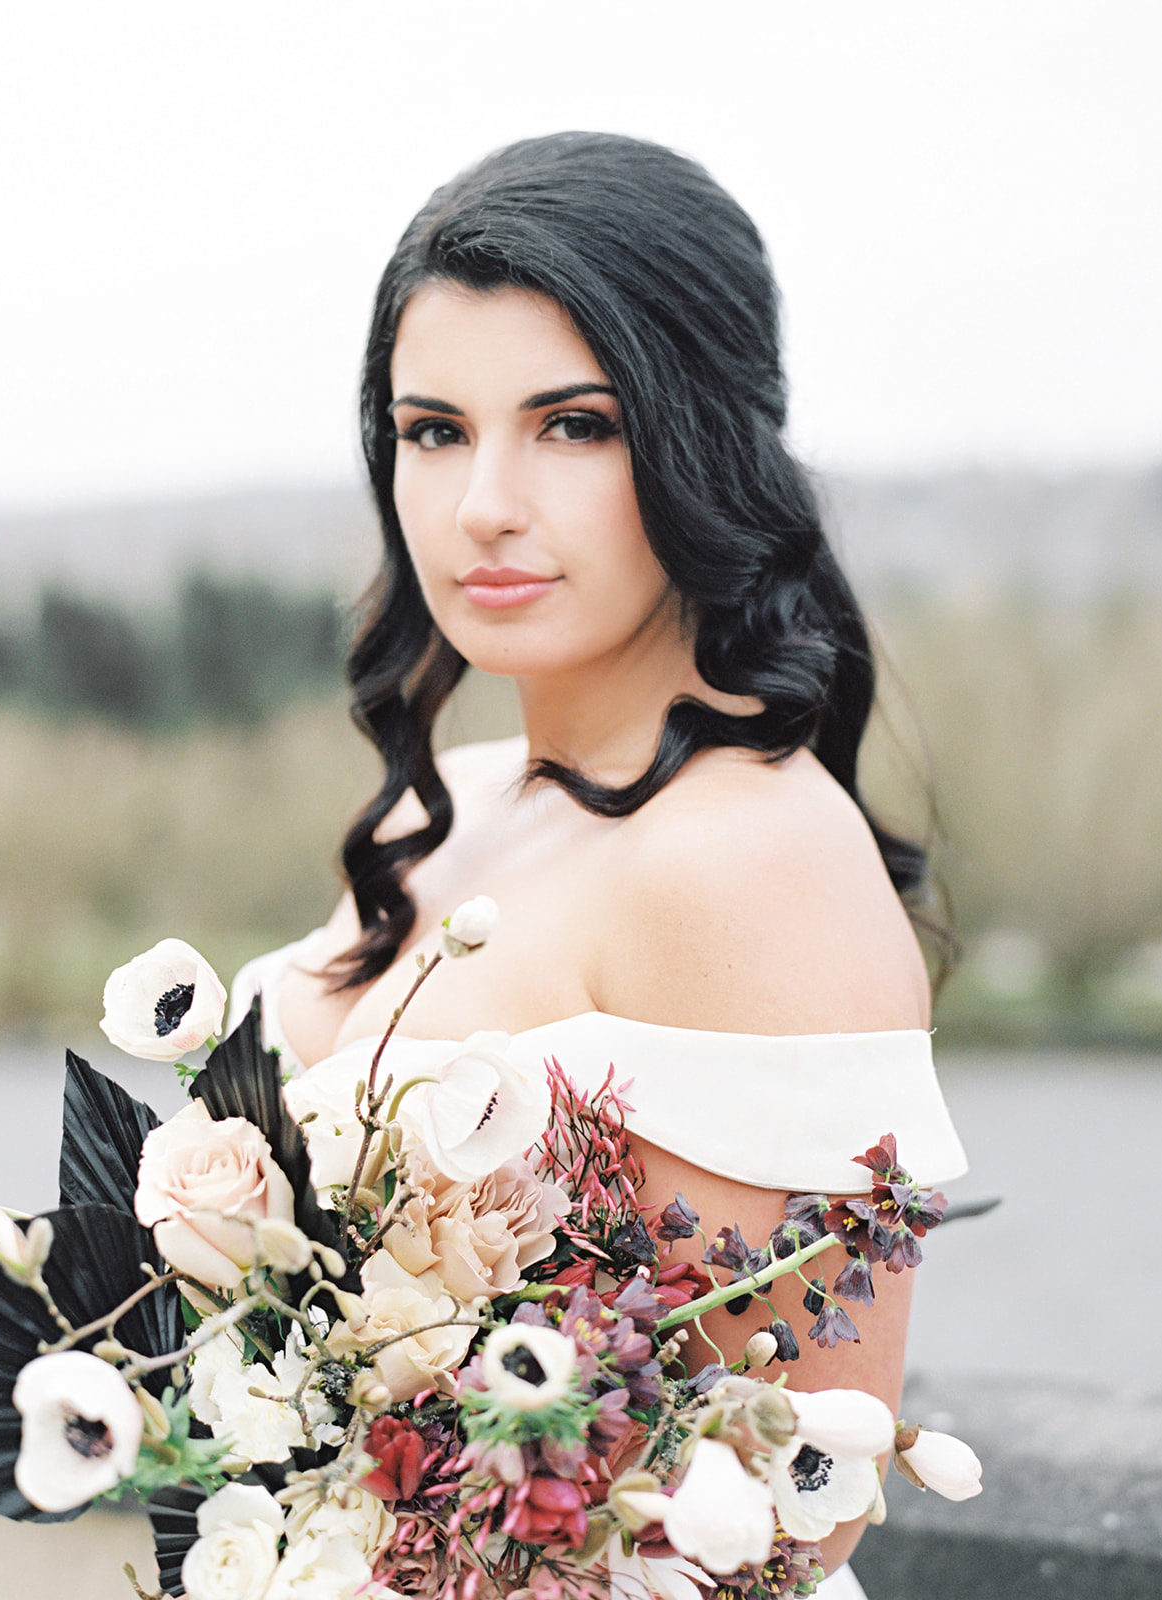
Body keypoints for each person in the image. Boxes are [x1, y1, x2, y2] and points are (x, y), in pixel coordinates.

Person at [231, 131, 966, 1597]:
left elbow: (792, 1506)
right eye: (433, 429)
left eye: (572, 424)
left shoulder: (751, 860)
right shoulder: (444, 805)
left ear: (701, 438)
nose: (482, 503)